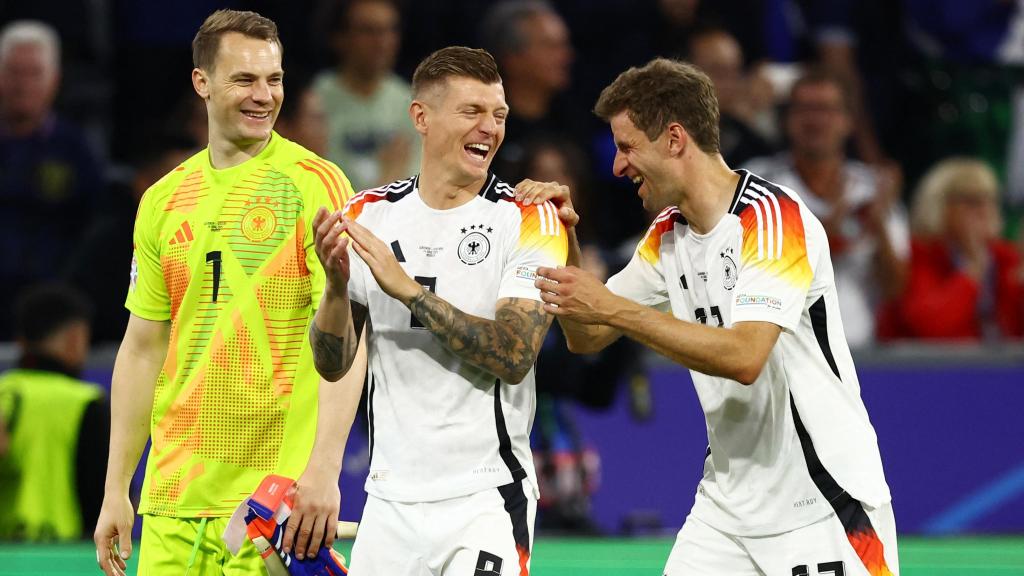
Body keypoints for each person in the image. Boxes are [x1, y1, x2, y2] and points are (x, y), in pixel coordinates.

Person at [529, 58, 898, 575]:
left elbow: (745, 355)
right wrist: (565, 242)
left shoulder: (772, 221)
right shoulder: (666, 235)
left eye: (627, 146)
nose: (617, 166)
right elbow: (587, 336)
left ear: (675, 139)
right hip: (726, 509)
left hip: (821, 500)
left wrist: (615, 307)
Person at [92, 10, 365, 576]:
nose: (264, 96)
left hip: (271, 504)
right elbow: (142, 349)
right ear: (202, 83)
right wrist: (117, 485)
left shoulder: (317, 183)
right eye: (245, 80)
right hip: (171, 503)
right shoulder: (162, 200)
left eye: (275, 79)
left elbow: (350, 336)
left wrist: (323, 470)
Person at [309, 46, 567, 575]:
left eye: (499, 115)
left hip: (486, 495)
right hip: (388, 498)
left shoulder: (528, 219)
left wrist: (410, 292)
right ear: (421, 117)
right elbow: (333, 363)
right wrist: (336, 291)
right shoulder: (367, 214)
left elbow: (515, 353)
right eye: (472, 111)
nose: (489, 129)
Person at [744, 70, 909, 348]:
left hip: (856, 352)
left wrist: (878, 223)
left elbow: (895, 288)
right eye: (805, 109)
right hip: (779, 352)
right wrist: (826, 237)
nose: (816, 120)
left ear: (847, 122)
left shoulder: (873, 189)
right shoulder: (757, 184)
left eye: (826, 110)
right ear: (787, 120)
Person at [0, 20, 105, 339]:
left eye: (34, 74)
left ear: (54, 80)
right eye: (14, 72)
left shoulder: (75, 150)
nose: (23, 84)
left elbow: (91, 228)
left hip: (49, 301)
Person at [0, 284, 107, 542]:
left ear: (21, 341)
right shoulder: (87, 402)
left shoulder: (4, 391)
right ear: (76, 338)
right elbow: (100, 496)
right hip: (66, 555)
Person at [893, 157, 1023, 340]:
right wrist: (972, 271)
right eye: (972, 200)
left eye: (991, 199)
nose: (985, 209)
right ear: (940, 205)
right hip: (931, 366)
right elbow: (930, 327)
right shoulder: (921, 255)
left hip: (999, 366)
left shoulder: (1007, 258)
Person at [313, 0, 420, 192]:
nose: (382, 42)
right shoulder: (314, 101)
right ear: (340, 38)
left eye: (390, 30)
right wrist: (388, 179)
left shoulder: (412, 102)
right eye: (368, 31)